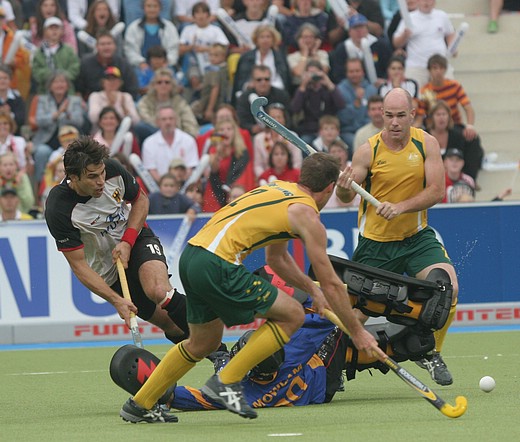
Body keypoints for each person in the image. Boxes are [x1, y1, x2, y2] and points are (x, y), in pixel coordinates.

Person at [119, 152, 384, 423]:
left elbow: (277, 259)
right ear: (329, 188)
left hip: (192, 257)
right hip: (217, 264)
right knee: (293, 314)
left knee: (202, 343)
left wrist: (313, 291)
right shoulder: (307, 216)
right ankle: (226, 381)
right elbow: (331, 282)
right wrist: (357, 331)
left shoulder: (279, 188)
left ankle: (140, 403)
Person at [335, 88, 458, 386]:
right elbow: (343, 198)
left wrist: (401, 207)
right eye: (388, 116)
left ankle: (430, 353)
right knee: (353, 318)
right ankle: (331, 365)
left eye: (400, 116)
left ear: (412, 115)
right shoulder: (367, 150)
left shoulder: (426, 143)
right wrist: (343, 185)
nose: (393, 123)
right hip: (375, 246)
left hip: (416, 238)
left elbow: (436, 191)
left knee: (447, 289)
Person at [44, 136, 192, 348]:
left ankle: (223, 355)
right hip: (107, 268)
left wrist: (127, 242)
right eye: (92, 177)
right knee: (172, 326)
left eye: (102, 173)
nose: (101, 182)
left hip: (135, 237)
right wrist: (116, 301)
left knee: (159, 290)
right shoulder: (58, 209)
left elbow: (140, 199)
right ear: (73, 177)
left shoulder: (113, 169)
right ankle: (215, 354)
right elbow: (79, 265)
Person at [416, 54, 484, 181]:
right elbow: (420, 117)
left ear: (445, 69)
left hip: (454, 127)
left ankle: (469, 179)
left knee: (472, 138)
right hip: (432, 129)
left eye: (441, 68)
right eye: (435, 68)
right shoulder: (424, 91)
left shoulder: (454, 85)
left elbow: (468, 108)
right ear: (429, 71)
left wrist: (470, 125)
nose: (438, 71)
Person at [30, 71, 85, 195]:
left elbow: (80, 121)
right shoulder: (42, 100)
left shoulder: (75, 100)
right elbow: (39, 120)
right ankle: (41, 190)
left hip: (69, 141)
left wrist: (68, 113)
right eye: (56, 82)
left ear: (67, 85)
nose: (59, 85)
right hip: (47, 141)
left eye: (62, 82)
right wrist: (57, 114)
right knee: (42, 152)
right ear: (50, 86)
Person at [392, 0, 455, 88]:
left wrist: (451, 47)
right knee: (414, 95)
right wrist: (404, 35)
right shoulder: (409, 18)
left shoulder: (442, 16)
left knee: (448, 91)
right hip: (417, 66)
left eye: (429, 0)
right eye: (423, 0)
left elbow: (450, 33)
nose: (426, 3)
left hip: (440, 64)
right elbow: (396, 43)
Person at [202, 116, 256, 212]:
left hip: (236, 189)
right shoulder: (213, 150)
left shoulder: (241, 152)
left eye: (229, 129)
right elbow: (214, 172)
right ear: (217, 133)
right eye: (222, 129)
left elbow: (241, 175)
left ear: (234, 132)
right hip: (217, 191)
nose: (225, 132)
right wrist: (218, 153)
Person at [178, 2, 229, 95]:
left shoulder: (215, 30)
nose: (201, 16)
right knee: (194, 77)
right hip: (194, 63)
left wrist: (205, 49)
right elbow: (180, 49)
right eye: (197, 13)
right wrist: (191, 47)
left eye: (203, 12)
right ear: (193, 16)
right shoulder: (188, 29)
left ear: (208, 15)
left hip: (213, 63)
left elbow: (224, 47)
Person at [290, 59, 346, 145]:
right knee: (304, 142)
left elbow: (341, 104)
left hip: (329, 127)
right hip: (310, 130)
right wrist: (303, 86)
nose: (313, 76)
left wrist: (328, 82)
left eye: (315, 73)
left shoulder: (328, 88)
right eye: (310, 73)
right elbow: (295, 108)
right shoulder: (304, 90)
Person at [232, 24, 291, 103]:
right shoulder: (246, 57)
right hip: (251, 94)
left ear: (273, 39)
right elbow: (240, 80)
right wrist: (248, 85)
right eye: (262, 37)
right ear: (256, 40)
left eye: (268, 37)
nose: (265, 40)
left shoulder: (280, 57)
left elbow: (284, 80)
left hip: (275, 94)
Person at [141, 104, 199, 184]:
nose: (168, 122)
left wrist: (178, 186)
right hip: (159, 187)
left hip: (184, 186)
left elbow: (191, 168)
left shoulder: (189, 140)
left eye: (171, 119)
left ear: (176, 120)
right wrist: (167, 185)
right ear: (158, 122)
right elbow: (151, 171)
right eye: (164, 119)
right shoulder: (148, 143)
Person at [137, 68, 200, 141]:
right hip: (153, 136)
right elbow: (146, 119)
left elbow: (190, 122)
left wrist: (188, 137)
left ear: (172, 85)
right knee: (140, 127)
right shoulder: (145, 101)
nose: (163, 85)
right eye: (159, 82)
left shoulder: (180, 102)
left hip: (177, 137)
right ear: (154, 85)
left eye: (167, 82)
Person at [328, 13, 392, 85]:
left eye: (361, 27)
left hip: (378, 84)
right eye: (355, 28)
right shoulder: (342, 48)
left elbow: (389, 66)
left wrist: (384, 80)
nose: (359, 31)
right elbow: (338, 74)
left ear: (367, 29)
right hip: (351, 88)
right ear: (349, 31)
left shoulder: (380, 45)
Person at [76, 30, 139, 101]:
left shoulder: (124, 64)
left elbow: (132, 89)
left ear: (115, 46)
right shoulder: (86, 63)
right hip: (91, 103)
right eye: (102, 44)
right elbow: (78, 89)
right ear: (96, 47)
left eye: (109, 44)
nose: (106, 47)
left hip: (119, 103)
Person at [123, 0, 180, 72]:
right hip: (141, 67)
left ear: (160, 8)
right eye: (149, 6)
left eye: (155, 6)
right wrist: (141, 63)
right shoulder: (133, 27)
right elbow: (130, 50)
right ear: (143, 8)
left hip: (165, 66)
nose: (152, 9)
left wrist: (166, 62)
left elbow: (174, 49)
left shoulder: (169, 27)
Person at [337, 58, 378, 154]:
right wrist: (356, 104)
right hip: (348, 131)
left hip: (369, 128)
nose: (355, 74)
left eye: (357, 71)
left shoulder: (371, 89)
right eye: (351, 71)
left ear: (363, 72)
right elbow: (342, 118)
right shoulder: (340, 90)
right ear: (346, 73)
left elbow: (374, 115)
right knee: (355, 141)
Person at [235, 65, 291, 136]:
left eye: (266, 79)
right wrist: (252, 128)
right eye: (259, 80)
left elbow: (289, 117)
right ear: (253, 81)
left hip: (280, 134)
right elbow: (241, 121)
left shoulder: (282, 95)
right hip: (253, 135)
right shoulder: (244, 98)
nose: (263, 82)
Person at [31, 16, 81, 95]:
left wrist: (62, 77)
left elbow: (75, 67)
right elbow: (36, 71)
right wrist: (51, 76)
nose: (54, 31)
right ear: (45, 31)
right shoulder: (39, 52)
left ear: (62, 31)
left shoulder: (69, 50)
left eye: (57, 28)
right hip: (45, 92)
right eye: (51, 28)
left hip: (67, 92)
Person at [253, 102, 302, 178]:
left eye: (279, 117)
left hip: (289, 179)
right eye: (272, 117)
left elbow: (297, 162)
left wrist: (291, 177)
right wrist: (265, 179)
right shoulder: (259, 139)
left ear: (284, 119)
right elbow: (258, 165)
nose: (276, 121)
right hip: (267, 180)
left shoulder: (293, 136)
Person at [87, 66, 141, 134]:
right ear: (103, 82)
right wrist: (110, 104)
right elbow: (93, 118)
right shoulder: (95, 96)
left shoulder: (126, 96)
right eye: (109, 79)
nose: (112, 82)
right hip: (99, 134)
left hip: (122, 134)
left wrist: (124, 108)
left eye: (115, 79)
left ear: (120, 82)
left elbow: (136, 121)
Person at [190, 43, 230, 125]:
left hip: (208, 102)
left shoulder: (214, 70)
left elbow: (215, 88)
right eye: (210, 55)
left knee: (190, 113)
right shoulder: (224, 68)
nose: (212, 58)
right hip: (220, 102)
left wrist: (209, 109)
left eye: (216, 55)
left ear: (223, 56)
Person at [287, 22, 330, 88]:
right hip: (299, 89)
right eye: (305, 37)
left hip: (320, 87)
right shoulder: (292, 57)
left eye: (311, 37)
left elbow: (323, 71)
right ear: (299, 39)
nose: (308, 40)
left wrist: (314, 53)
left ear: (316, 39)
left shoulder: (322, 54)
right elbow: (299, 73)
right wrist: (305, 53)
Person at [0, 65, 27, 135]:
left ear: (10, 80)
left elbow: (21, 121)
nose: (2, 81)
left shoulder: (17, 99)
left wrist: (10, 114)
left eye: (5, 78)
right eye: (0, 78)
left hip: (14, 136)